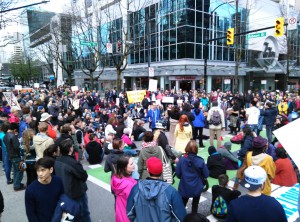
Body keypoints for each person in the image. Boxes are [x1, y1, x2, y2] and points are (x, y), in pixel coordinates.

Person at [127, 157, 187, 221]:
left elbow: (130, 213)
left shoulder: (136, 189)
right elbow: (180, 216)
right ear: (162, 171)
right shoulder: (171, 191)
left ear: (148, 170)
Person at [55, 139, 91, 222]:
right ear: (70, 149)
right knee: (84, 214)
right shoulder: (73, 163)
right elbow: (84, 176)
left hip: (64, 192)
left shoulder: (57, 160)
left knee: (70, 214)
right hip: (76, 192)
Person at [25, 157, 64, 222]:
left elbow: (63, 198)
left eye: (43, 170)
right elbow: (30, 214)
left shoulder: (58, 180)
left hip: (59, 218)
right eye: (38, 170)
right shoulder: (30, 190)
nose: (40, 174)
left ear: (51, 169)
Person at [176, 140, 209, 213]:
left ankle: (181, 217)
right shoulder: (200, 161)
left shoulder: (182, 160)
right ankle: (194, 217)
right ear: (196, 149)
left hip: (184, 186)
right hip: (197, 186)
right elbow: (206, 174)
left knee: (183, 204)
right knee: (195, 204)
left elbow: (178, 174)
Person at [111, 156, 137, 222]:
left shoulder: (115, 178)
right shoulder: (130, 184)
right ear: (125, 167)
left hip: (120, 211)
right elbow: (135, 202)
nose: (134, 165)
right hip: (129, 215)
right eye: (131, 164)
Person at [4, 122, 25, 191]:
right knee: (19, 170)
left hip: (10, 155)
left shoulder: (5, 135)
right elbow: (17, 146)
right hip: (16, 155)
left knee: (16, 170)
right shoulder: (13, 136)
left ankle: (16, 183)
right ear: (15, 129)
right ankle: (17, 185)